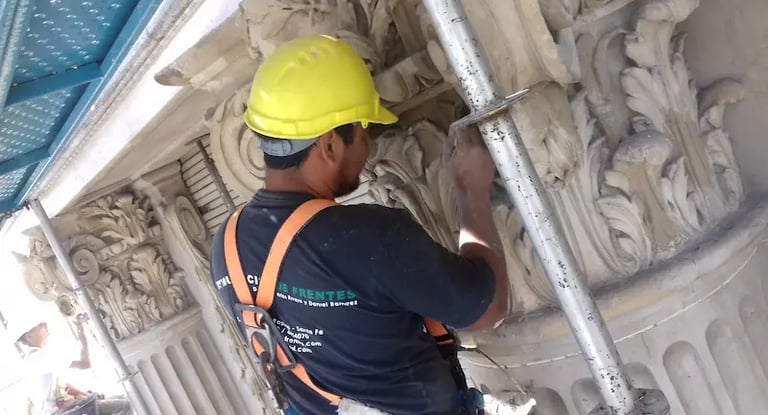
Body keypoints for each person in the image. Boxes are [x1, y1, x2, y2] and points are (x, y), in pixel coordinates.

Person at [210, 35, 511, 414]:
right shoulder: (371, 237)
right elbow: (488, 309)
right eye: (365, 131)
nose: (368, 145)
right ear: (330, 145)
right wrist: (471, 190)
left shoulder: (226, 247)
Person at [9, 317, 131, 415]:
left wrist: (87, 395)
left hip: (63, 411)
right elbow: (84, 364)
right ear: (29, 336)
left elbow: (63, 386)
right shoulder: (40, 357)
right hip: (66, 412)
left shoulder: (31, 360)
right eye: (39, 324)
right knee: (124, 404)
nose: (45, 324)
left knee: (114, 398)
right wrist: (82, 338)